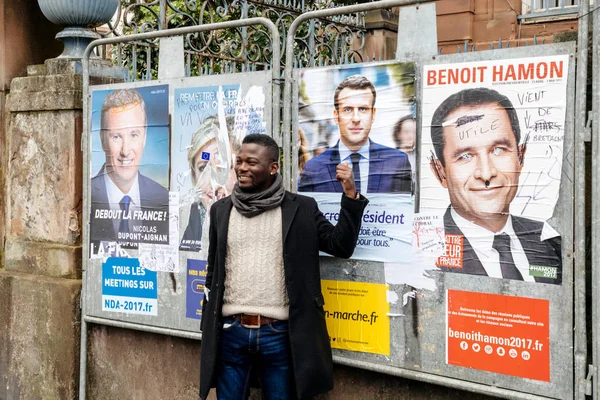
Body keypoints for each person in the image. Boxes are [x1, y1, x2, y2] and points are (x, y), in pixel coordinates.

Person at [199, 134, 368, 399]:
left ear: (272, 167)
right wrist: (209, 321)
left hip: (280, 334)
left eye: (251, 162)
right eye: (239, 161)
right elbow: (213, 270)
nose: (241, 167)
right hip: (231, 332)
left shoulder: (300, 208)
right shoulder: (221, 210)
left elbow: (340, 246)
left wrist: (350, 195)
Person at [429, 87, 561, 284]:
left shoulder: (550, 241)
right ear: (440, 172)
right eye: (465, 156)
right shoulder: (425, 255)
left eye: (498, 150)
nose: (486, 172)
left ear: (520, 156)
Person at [298, 75, 412, 194]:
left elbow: (405, 209)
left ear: (373, 115)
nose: (356, 118)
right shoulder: (314, 167)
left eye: (363, 109)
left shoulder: (397, 162)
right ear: (336, 116)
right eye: (348, 109)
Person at [90, 89, 168, 252]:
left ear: (144, 137)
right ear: (103, 140)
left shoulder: (163, 198)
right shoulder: (86, 196)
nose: (125, 151)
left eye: (134, 134)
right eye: (116, 136)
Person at [180, 115, 238, 252]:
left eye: (223, 167)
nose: (214, 183)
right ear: (194, 176)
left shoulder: (257, 223)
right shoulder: (179, 224)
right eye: (203, 168)